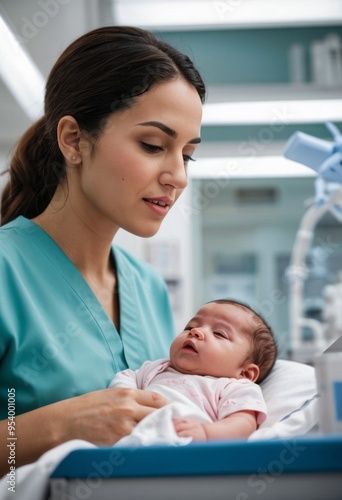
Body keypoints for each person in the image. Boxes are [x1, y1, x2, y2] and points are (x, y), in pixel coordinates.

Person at [0, 25, 205, 475]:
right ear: (74, 139)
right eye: (153, 145)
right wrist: (54, 426)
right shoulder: (5, 272)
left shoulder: (147, 288)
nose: (178, 176)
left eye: (186, 155)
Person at [111, 299, 278, 441]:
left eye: (219, 333)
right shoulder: (156, 368)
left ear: (245, 373)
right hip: (133, 435)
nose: (196, 332)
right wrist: (123, 399)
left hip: (182, 444)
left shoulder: (233, 388)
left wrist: (206, 433)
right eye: (189, 327)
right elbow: (125, 379)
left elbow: (243, 424)